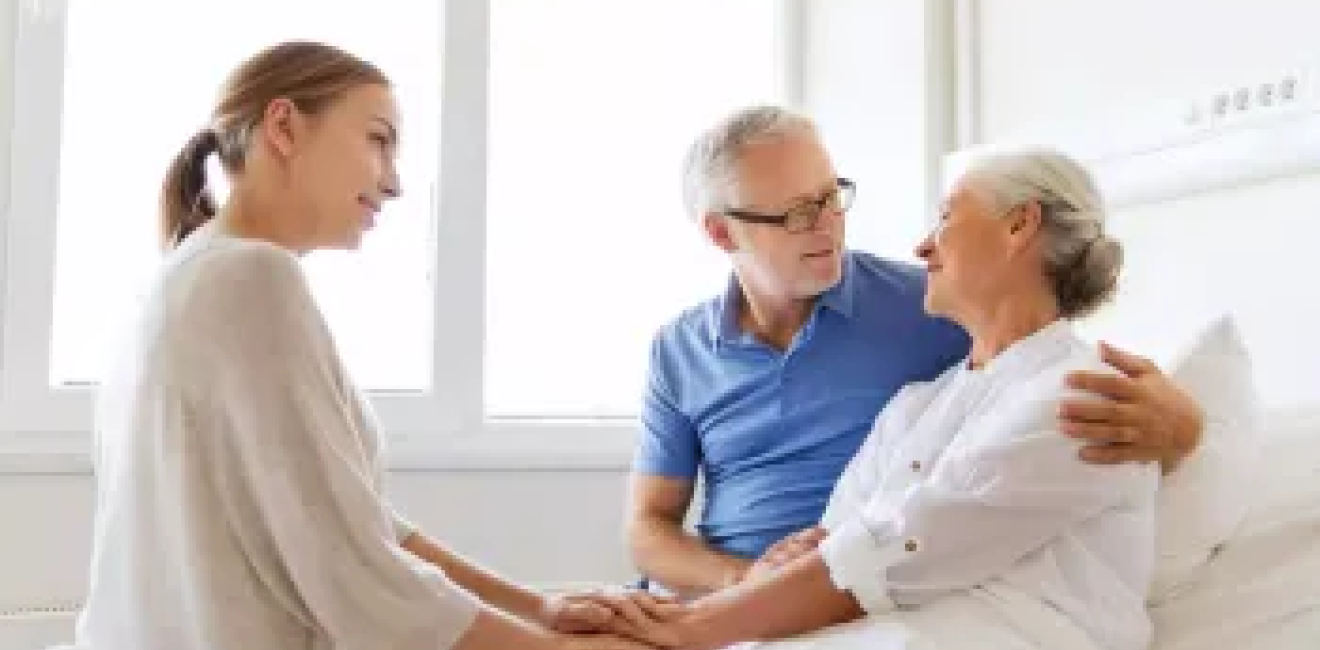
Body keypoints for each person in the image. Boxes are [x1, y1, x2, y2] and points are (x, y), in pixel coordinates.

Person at [66, 41, 650, 650]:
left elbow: (347, 518)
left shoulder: (181, 275)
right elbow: (343, 558)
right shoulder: (251, 278)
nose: (394, 181)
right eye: (378, 139)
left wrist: (539, 608)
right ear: (284, 127)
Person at [627, 106, 1203, 598]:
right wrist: (742, 582)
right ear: (723, 234)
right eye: (800, 213)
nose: (828, 227)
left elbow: (1050, 361)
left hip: (835, 594)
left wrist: (1183, 427)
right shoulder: (679, 350)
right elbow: (649, 528)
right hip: (720, 597)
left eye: (832, 198)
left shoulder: (928, 303)